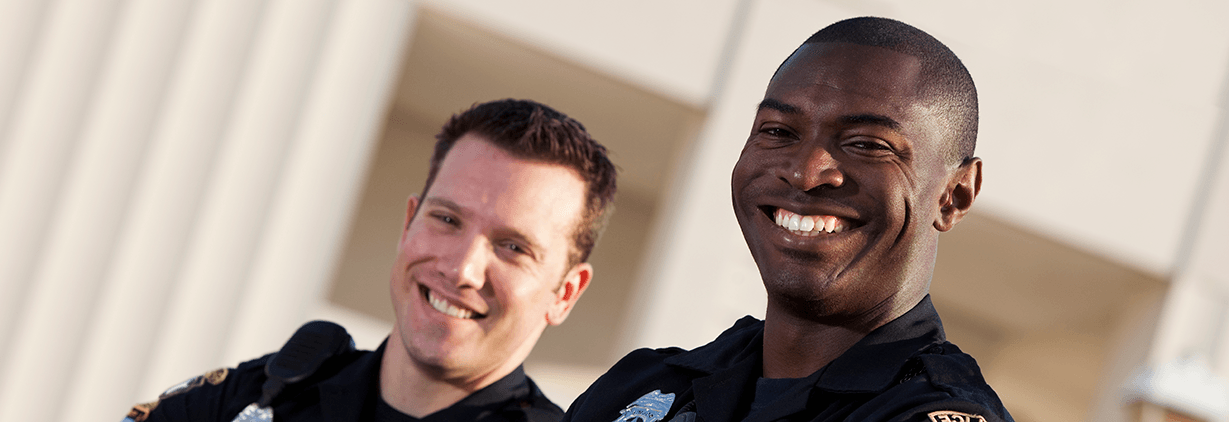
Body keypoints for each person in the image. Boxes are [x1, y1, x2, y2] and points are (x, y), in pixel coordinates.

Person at [563, 17, 1013, 422]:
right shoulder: (640, 386)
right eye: (779, 132)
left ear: (955, 195)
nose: (805, 171)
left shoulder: (930, 411)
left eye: (866, 143)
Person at [126, 98, 618, 422]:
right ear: (409, 222)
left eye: (513, 247)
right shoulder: (259, 398)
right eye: (447, 220)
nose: (461, 269)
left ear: (566, 292)